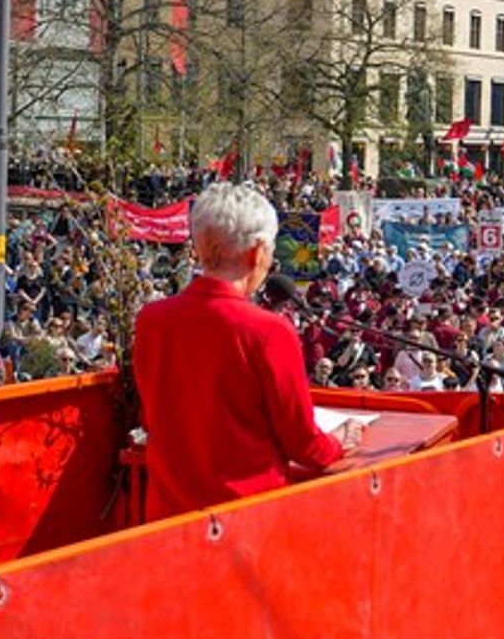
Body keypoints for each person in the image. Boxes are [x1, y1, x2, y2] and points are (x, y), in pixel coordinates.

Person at [129, 184, 363, 518]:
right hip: (246, 520)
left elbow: (153, 417)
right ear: (256, 253)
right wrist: (340, 441)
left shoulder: (152, 320)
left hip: (167, 518)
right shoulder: (268, 331)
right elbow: (302, 443)